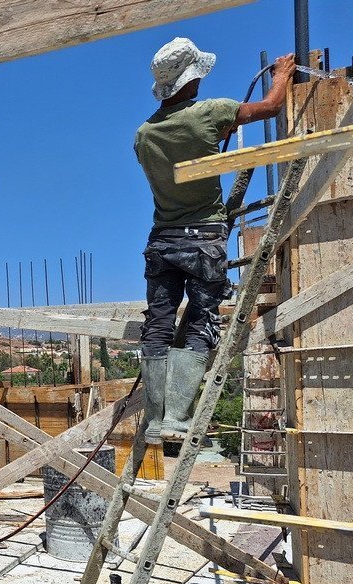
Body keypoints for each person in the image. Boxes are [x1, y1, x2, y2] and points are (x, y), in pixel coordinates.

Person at [134, 38, 295, 444]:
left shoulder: (144, 135)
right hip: (203, 237)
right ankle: (177, 418)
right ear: (191, 80)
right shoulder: (210, 111)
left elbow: (178, 151)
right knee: (201, 321)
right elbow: (271, 107)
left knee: (158, 323)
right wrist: (282, 75)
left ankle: (155, 420)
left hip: (162, 240)